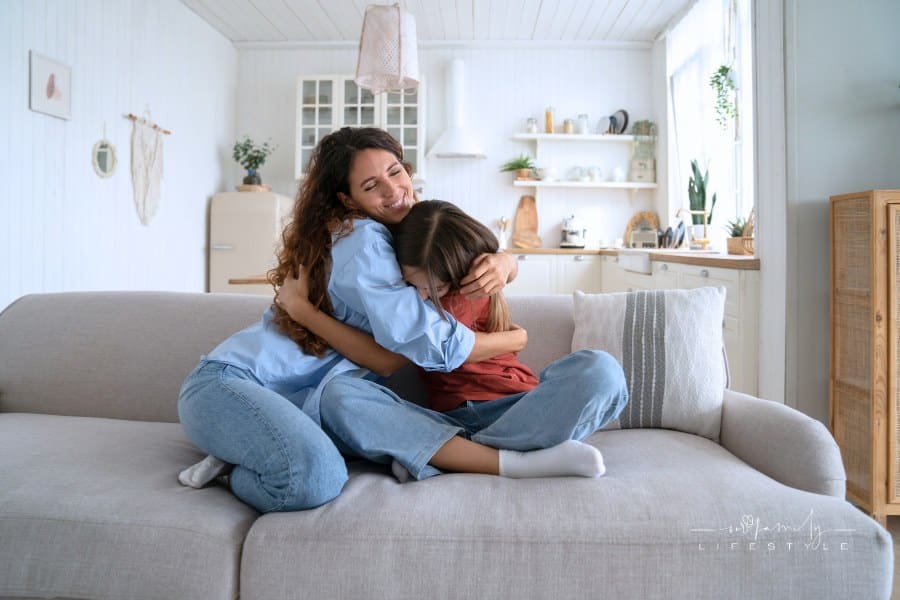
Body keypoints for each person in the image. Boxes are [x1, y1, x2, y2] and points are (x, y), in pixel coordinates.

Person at [177, 127, 598, 512]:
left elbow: (459, 251)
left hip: (295, 406)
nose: (394, 190)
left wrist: (507, 261)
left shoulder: (402, 235)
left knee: (325, 462)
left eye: (395, 172)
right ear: (347, 199)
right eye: (370, 185)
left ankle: (245, 456)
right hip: (232, 382)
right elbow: (417, 347)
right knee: (314, 480)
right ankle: (242, 464)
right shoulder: (366, 239)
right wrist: (515, 339)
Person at [278, 199, 630, 483]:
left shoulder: (474, 284)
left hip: (522, 407)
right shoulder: (408, 306)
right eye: (413, 284)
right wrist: (302, 311)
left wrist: (507, 262)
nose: (422, 296)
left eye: (434, 288)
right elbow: (387, 361)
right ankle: (509, 459)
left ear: (459, 273)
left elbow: (494, 270)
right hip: (449, 420)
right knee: (336, 396)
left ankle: (453, 456)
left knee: (602, 370)